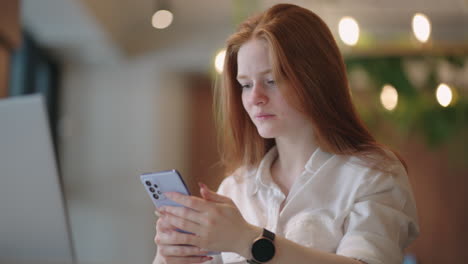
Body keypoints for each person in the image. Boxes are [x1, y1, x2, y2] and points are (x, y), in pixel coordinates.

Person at [153, 3, 419, 264]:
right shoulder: (236, 189)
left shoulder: (372, 174)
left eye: (271, 81)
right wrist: (168, 258)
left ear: (315, 80)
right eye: (245, 85)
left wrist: (248, 240)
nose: (255, 97)